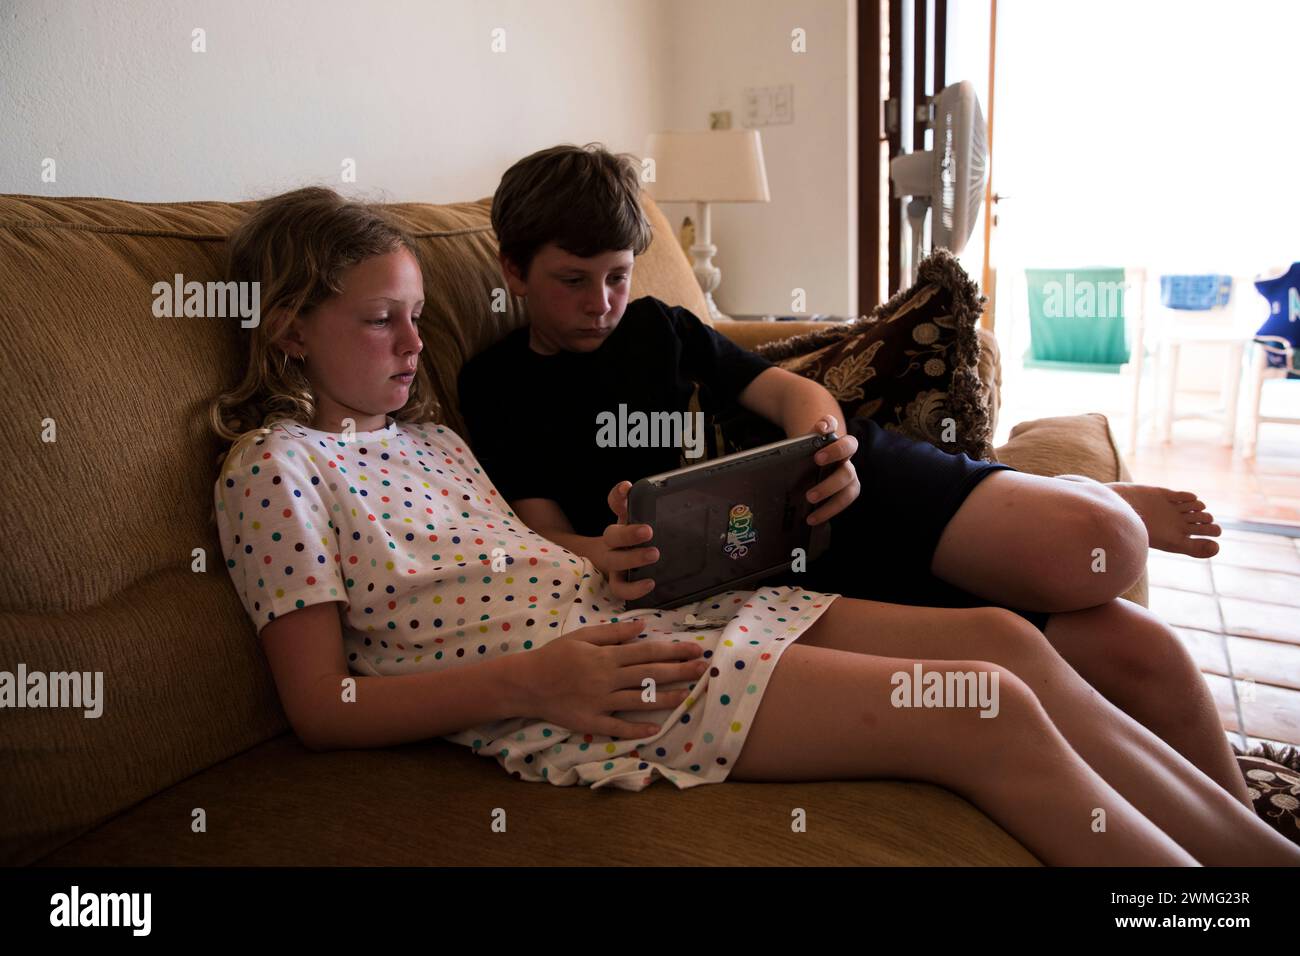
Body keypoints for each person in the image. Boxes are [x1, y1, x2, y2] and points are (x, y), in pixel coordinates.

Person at [210, 185, 1300, 866]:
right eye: (378, 319)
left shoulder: (430, 437)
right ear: (290, 329)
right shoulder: (272, 467)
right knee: (984, 708)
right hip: (584, 678)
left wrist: (629, 546)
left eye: (414, 314)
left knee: (1010, 641)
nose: (411, 342)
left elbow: (542, 551)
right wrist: (530, 684)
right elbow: (320, 705)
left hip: (666, 603)